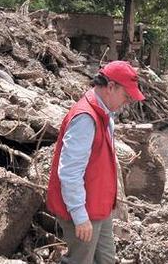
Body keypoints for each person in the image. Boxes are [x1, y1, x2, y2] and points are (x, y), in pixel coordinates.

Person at [47, 60, 145, 264]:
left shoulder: (104, 114)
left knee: (106, 259)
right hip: (83, 209)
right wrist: (79, 216)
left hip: (99, 206)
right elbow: (70, 172)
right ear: (111, 87)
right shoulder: (85, 118)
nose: (126, 102)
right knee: (80, 261)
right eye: (126, 96)